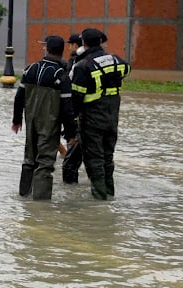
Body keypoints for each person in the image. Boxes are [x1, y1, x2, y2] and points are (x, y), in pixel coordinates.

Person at [11, 35, 78, 200]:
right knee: (45, 163)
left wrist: (17, 119)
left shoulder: (29, 69)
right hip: (50, 124)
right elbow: (67, 108)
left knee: (29, 159)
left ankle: (24, 197)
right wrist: (70, 134)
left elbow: (19, 97)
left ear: (47, 49)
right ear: (61, 52)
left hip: (31, 122)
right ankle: (40, 206)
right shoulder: (61, 76)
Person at [70, 28, 130, 200]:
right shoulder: (117, 60)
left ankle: (100, 199)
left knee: (94, 160)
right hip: (112, 117)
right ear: (100, 42)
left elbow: (76, 99)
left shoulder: (83, 66)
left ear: (83, 43)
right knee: (107, 158)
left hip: (92, 120)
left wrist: (72, 122)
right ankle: (110, 194)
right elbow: (127, 69)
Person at [62, 32, 84, 184]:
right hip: (81, 107)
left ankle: (68, 153)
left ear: (75, 45)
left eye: (70, 44)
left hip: (73, 104)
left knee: (72, 133)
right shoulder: (80, 60)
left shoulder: (75, 61)